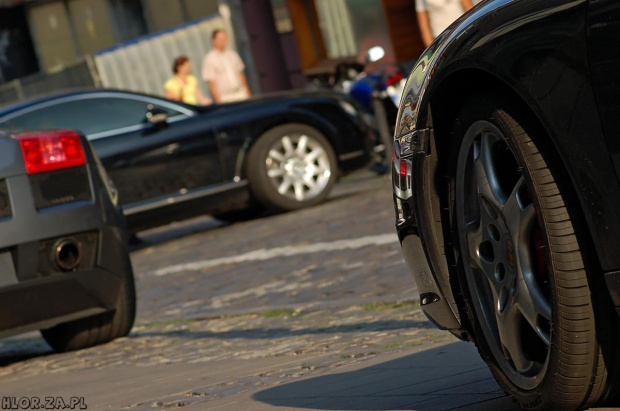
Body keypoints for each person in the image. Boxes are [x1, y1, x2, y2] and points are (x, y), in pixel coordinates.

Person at [202, 29, 252, 104]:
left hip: (240, 93)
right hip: (225, 97)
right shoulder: (210, 59)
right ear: (214, 41)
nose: (223, 41)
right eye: (220, 39)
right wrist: (218, 101)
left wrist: (247, 93)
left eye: (224, 38)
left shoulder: (232, 54)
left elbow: (241, 75)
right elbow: (211, 83)